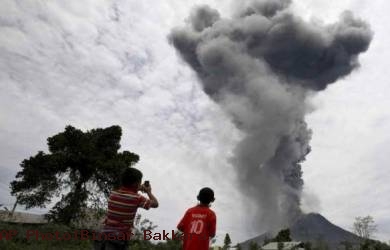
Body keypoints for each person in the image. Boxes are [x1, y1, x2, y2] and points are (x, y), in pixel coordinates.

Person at [94, 167, 158, 250]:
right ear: (136, 184)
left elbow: (126, 193)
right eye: (139, 182)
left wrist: (137, 188)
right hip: (118, 240)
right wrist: (148, 192)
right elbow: (155, 204)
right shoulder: (137, 198)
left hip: (102, 237)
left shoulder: (113, 194)